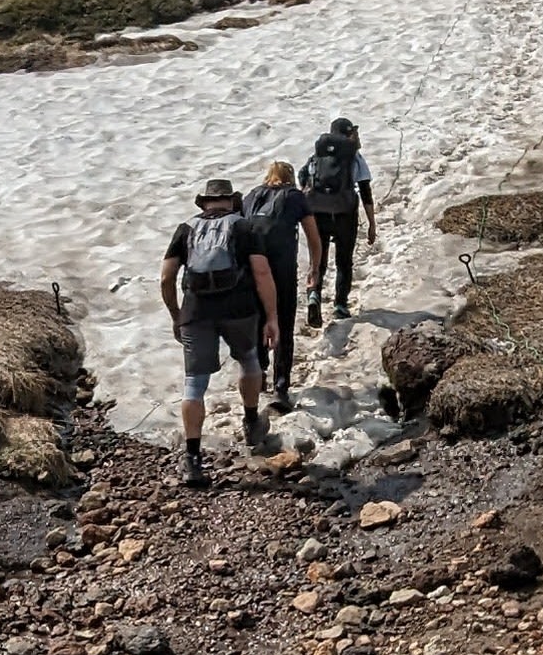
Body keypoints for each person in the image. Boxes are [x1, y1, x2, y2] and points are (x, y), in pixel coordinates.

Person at [160, 174, 283, 486]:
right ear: (231, 200)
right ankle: (253, 423)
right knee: (249, 361)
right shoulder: (244, 226)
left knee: (194, 385)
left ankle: (193, 459)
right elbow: (261, 271)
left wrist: (177, 315)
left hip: (195, 312)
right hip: (239, 310)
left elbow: (166, 278)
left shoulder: (186, 228)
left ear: (204, 202)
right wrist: (272, 317)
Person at [242, 159, 313, 406]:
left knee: (258, 321)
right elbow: (312, 234)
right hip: (282, 271)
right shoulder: (294, 196)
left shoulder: (251, 197)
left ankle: (259, 373)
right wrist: (315, 266)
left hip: (251, 271)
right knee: (283, 323)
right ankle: (281, 388)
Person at [300, 117, 380, 325]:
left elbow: (302, 179)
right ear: (349, 134)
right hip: (345, 214)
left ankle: (314, 296)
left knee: (318, 259)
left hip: (318, 214)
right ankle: (340, 305)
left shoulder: (316, 156)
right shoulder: (354, 157)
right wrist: (371, 223)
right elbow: (365, 190)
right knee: (344, 261)